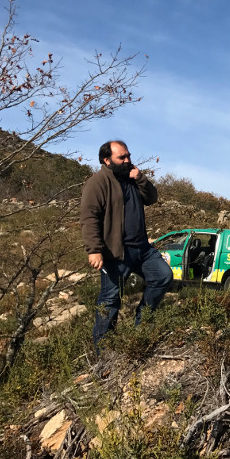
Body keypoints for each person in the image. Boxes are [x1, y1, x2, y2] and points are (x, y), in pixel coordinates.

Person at [80, 140, 173, 346]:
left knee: (163, 276)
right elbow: (89, 217)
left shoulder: (131, 177)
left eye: (128, 155)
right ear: (107, 160)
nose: (127, 160)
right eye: (121, 157)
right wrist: (94, 249)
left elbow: (152, 197)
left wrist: (140, 178)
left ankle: (140, 328)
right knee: (110, 300)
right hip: (116, 252)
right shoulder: (97, 183)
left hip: (142, 248)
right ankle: (103, 352)